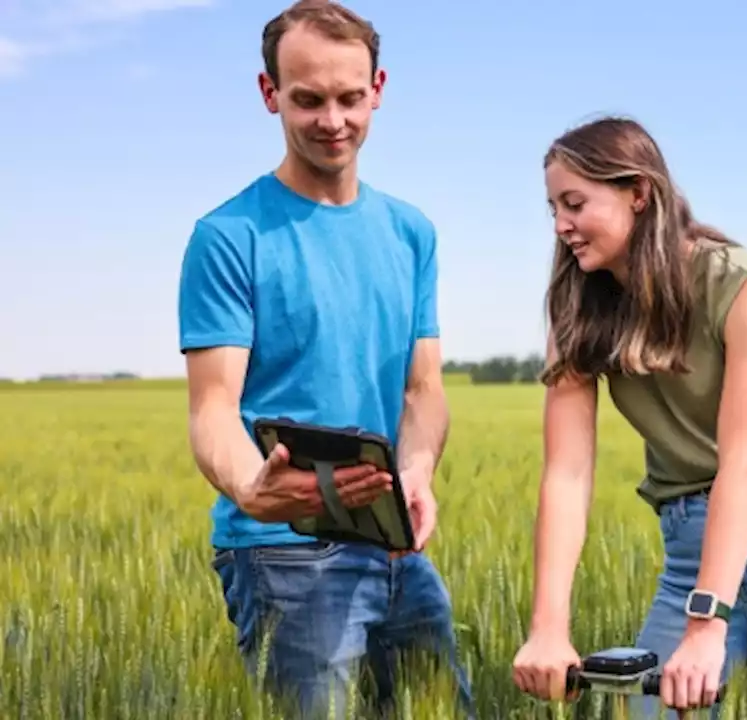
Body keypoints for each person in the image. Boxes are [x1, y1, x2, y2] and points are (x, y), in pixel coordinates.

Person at [510, 116, 747, 719]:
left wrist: (708, 628)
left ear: (639, 192)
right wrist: (548, 627)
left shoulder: (743, 284)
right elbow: (567, 475)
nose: (560, 226)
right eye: (552, 207)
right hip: (690, 551)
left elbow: (745, 460)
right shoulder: (576, 308)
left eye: (575, 203)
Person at [177, 2, 472, 717]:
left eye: (349, 97)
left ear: (378, 87)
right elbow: (214, 406)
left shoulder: (411, 232)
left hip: (393, 543)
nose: (332, 121)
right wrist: (251, 484)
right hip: (282, 551)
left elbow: (424, 390)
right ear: (269, 93)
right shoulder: (228, 236)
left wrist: (417, 472)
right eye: (307, 100)